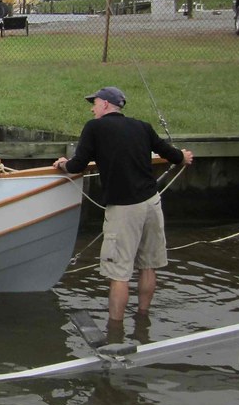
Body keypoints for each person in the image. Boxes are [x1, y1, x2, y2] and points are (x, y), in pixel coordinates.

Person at [53, 86, 194, 324]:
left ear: (106, 105)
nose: (92, 108)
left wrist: (62, 164)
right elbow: (170, 153)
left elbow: (78, 165)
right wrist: (184, 157)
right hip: (151, 202)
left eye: (95, 103)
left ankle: (115, 331)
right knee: (148, 266)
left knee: (119, 273)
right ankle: (142, 318)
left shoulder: (94, 127)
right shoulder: (142, 126)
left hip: (124, 208)